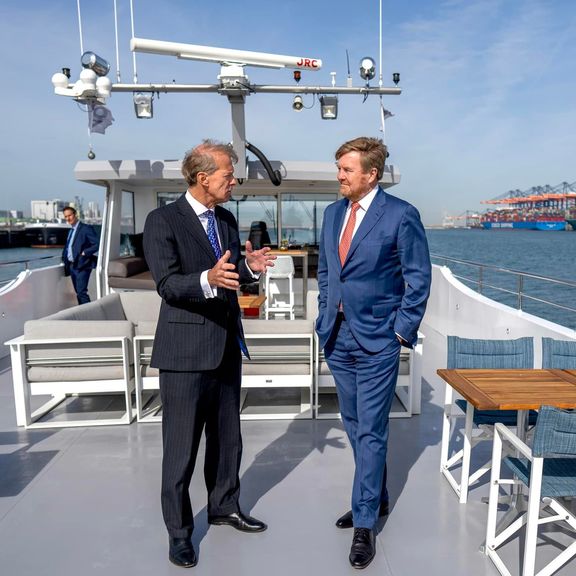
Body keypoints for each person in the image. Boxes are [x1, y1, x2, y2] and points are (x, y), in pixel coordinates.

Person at [143, 140, 275, 569]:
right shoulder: (162, 220)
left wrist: (251, 267)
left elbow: (232, 276)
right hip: (183, 353)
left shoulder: (228, 219)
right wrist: (208, 277)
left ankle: (225, 507)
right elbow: (167, 284)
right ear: (203, 178)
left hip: (225, 346)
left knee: (227, 440)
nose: (233, 181)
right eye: (228, 175)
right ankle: (179, 534)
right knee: (180, 450)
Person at [315, 137, 431, 569]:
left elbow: (418, 280)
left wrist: (400, 333)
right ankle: (377, 498)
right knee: (353, 422)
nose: (340, 175)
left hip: (379, 339)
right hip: (337, 337)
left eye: (347, 169)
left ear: (370, 175)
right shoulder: (331, 214)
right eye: (339, 168)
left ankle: (365, 523)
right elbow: (328, 272)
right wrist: (323, 316)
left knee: (371, 430)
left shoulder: (401, 215)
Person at [62, 206, 99, 305]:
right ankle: (84, 314)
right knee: (78, 293)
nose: (68, 218)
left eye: (69, 215)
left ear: (75, 214)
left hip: (83, 264)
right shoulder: (70, 231)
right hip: (72, 266)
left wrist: (85, 252)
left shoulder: (86, 228)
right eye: (66, 216)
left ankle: (89, 316)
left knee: (81, 292)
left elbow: (97, 244)